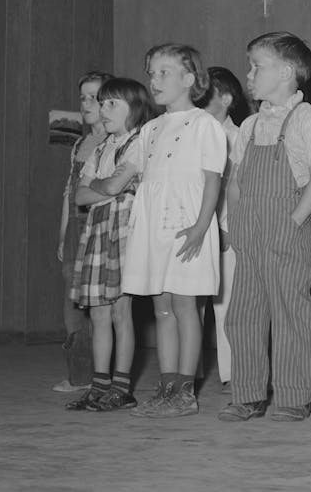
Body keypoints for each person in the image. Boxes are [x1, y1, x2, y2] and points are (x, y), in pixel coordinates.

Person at [218, 33, 311, 422]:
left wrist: (295, 221)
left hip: (287, 230)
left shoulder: (309, 121)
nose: (248, 74)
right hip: (249, 233)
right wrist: (234, 223)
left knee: (289, 314)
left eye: (256, 66)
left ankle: (294, 397)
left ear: (285, 72)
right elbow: (235, 181)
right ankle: (247, 394)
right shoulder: (250, 125)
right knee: (243, 314)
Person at [123, 44, 227, 418]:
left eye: (164, 72)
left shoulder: (205, 125)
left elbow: (212, 182)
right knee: (161, 307)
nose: (155, 79)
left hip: (188, 226)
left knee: (186, 307)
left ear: (189, 79)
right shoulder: (150, 128)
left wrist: (201, 227)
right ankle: (166, 387)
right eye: (152, 73)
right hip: (155, 228)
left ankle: (185, 391)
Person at [66, 77, 153, 412]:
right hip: (99, 229)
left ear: (134, 107)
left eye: (111, 103)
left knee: (120, 310)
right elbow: (81, 194)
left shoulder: (137, 143)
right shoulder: (101, 148)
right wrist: (107, 185)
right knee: (98, 312)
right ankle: (99, 385)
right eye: (101, 103)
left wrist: (105, 186)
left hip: (124, 229)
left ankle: (122, 387)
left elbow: (115, 186)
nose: (103, 110)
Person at [54, 70, 112, 393]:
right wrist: (63, 234)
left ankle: (108, 375)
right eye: (84, 97)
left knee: (103, 303)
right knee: (72, 301)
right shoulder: (79, 144)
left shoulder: (114, 140)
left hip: (102, 225)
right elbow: (69, 192)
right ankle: (80, 375)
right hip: (77, 227)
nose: (88, 103)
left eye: (95, 97)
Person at [201, 66, 251, 391]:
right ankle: (185, 374)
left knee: (226, 303)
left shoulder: (237, 137)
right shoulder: (195, 135)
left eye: (208, 94)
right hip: (194, 229)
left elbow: (236, 188)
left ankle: (232, 373)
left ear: (227, 99)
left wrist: (227, 227)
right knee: (190, 304)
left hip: (224, 231)